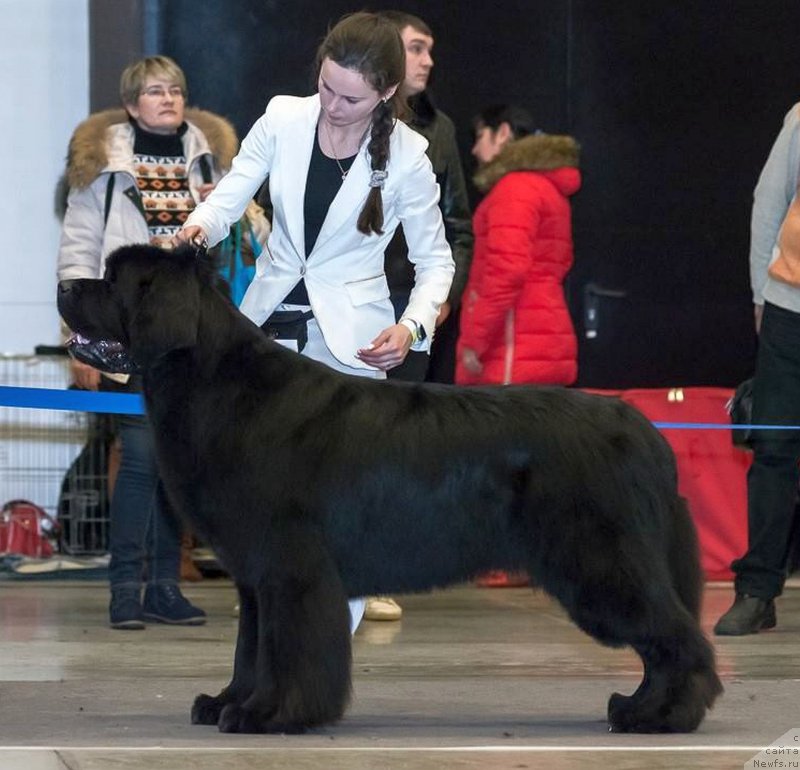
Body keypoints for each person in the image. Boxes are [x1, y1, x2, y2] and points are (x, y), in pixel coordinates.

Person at [177, 12, 455, 635]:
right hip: (265, 336)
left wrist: (411, 330)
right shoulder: (282, 116)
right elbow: (229, 195)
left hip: (352, 345)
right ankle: (268, 647)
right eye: (326, 87)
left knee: (340, 512)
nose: (332, 105)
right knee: (259, 503)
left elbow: (435, 261)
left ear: (386, 92)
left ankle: (322, 652)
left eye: (351, 97)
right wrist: (199, 228)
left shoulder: (410, 156)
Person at [57, 55, 242, 629]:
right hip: (132, 332)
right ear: (133, 103)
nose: (169, 99)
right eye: (156, 91)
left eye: (178, 91)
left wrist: (230, 209)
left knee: (176, 464)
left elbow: (249, 241)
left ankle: (164, 587)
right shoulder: (102, 165)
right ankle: (123, 591)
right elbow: (79, 251)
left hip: (193, 335)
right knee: (139, 460)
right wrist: (79, 333)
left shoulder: (214, 160)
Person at [360, 10, 473, 623]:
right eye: (416, 49)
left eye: (431, 50)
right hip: (349, 304)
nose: (427, 61)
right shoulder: (337, 118)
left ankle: (383, 572)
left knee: (399, 444)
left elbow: (458, 223)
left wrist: (440, 297)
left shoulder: (441, 130)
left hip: (413, 306)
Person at [456, 104, 580, 588]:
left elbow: (504, 273)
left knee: (503, 457)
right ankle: (537, 555)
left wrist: (473, 341)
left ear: (503, 133)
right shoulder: (546, 186)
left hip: (513, 341)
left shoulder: (515, 188)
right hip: (541, 332)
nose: (473, 148)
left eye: (480, 135)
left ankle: (512, 558)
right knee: (537, 458)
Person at [714, 102, 800, 635]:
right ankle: (756, 591)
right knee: (773, 449)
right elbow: (769, 202)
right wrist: (759, 294)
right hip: (791, 305)